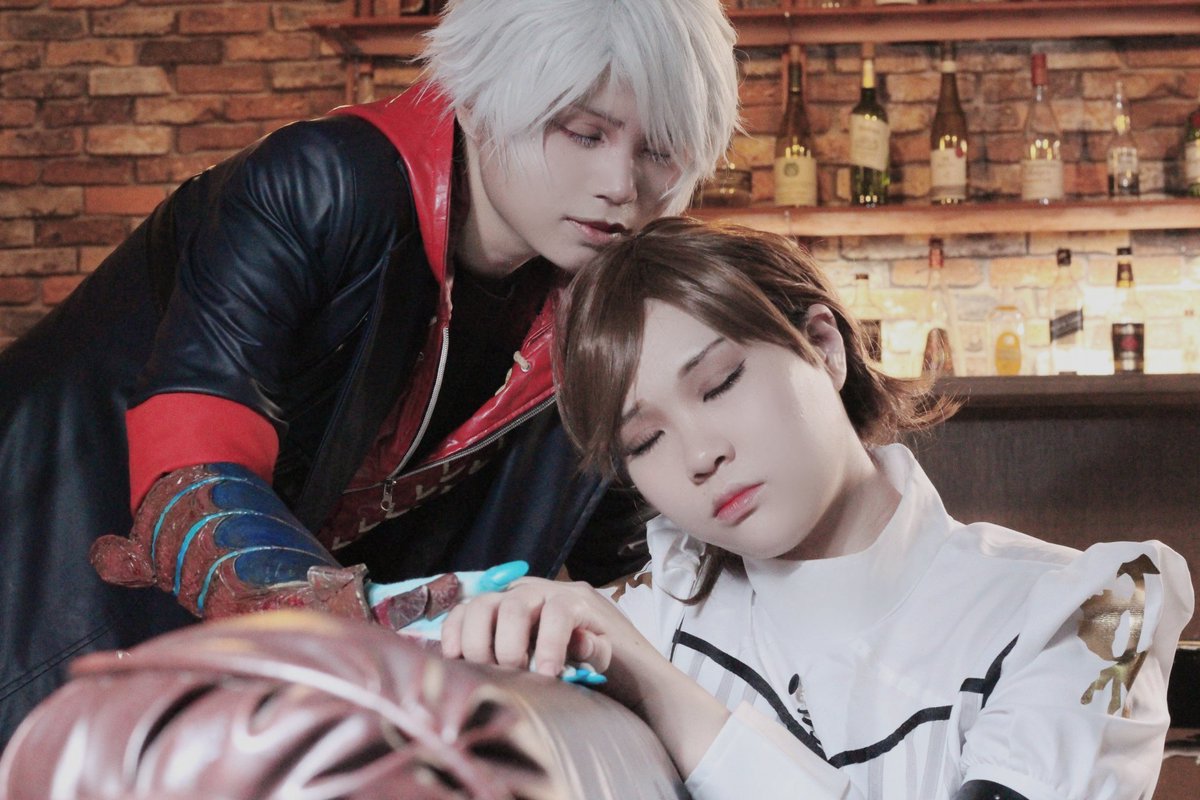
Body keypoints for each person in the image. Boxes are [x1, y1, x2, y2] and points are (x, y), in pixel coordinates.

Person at [0, 0, 740, 745]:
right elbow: (190, 471)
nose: (622, 183)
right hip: (51, 588)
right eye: (584, 132)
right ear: (480, 102)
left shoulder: (606, 310)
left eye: (659, 150)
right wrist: (375, 625)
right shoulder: (320, 184)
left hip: (281, 682)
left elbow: (632, 557)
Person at [439, 217, 1194, 800]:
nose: (699, 454)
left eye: (720, 383)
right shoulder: (632, 628)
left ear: (824, 347)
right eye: (645, 440)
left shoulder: (1097, 606)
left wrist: (665, 697)